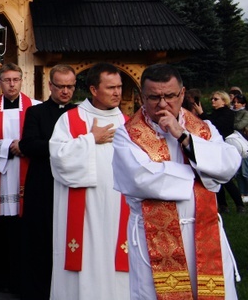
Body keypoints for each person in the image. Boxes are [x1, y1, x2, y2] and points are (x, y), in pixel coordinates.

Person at [113, 64, 241, 300]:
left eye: (170, 96)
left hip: (205, 232)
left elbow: (228, 164)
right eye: (154, 97)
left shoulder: (203, 129)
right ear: (143, 97)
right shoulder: (127, 134)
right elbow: (141, 179)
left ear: (182, 94)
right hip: (154, 239)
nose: (162, 104)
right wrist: (203, 175)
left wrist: (183, 136)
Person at [48, 63, 129, 300]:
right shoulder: (71, 120)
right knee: (86, 259)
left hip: (119, 207)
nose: (117, 93)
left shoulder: (128, 121)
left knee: (117, 259)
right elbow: (59, 158)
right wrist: (90, 139)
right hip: (83, 210)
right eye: (111, 87)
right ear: (94, 90)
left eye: (120, 87)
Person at [0, 63, 39, 293]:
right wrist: (11, 147)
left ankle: (26, 278)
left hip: (29, 173)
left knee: (26, 223)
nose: (12, 84)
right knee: (4, 224)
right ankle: (0, 278)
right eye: (7, 80)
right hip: (3, 175)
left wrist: (26, 147)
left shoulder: (36, 107)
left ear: (22, 80)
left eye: (16, 79)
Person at [18, 64, 77, 300]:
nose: (65, 91)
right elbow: (28, 145)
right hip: (43, 182)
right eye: (60, 86)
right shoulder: (36, 112)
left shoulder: (79, 114)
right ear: (50, 86)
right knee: (41, 237)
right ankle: (39, 288)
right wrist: (67, 147)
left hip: (73, 183)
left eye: (70, 86)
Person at [194, 91, 244, 213]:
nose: (212, 101)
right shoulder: (215, 113)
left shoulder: (228, 113)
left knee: (226, 179)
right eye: (212, 99)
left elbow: (216, 126)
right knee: (215, 176)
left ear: (224, 101)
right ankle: (223, 205)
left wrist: (202, 114)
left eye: (216, 99)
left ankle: (239, 205)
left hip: (223, 149)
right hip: (214, 149)